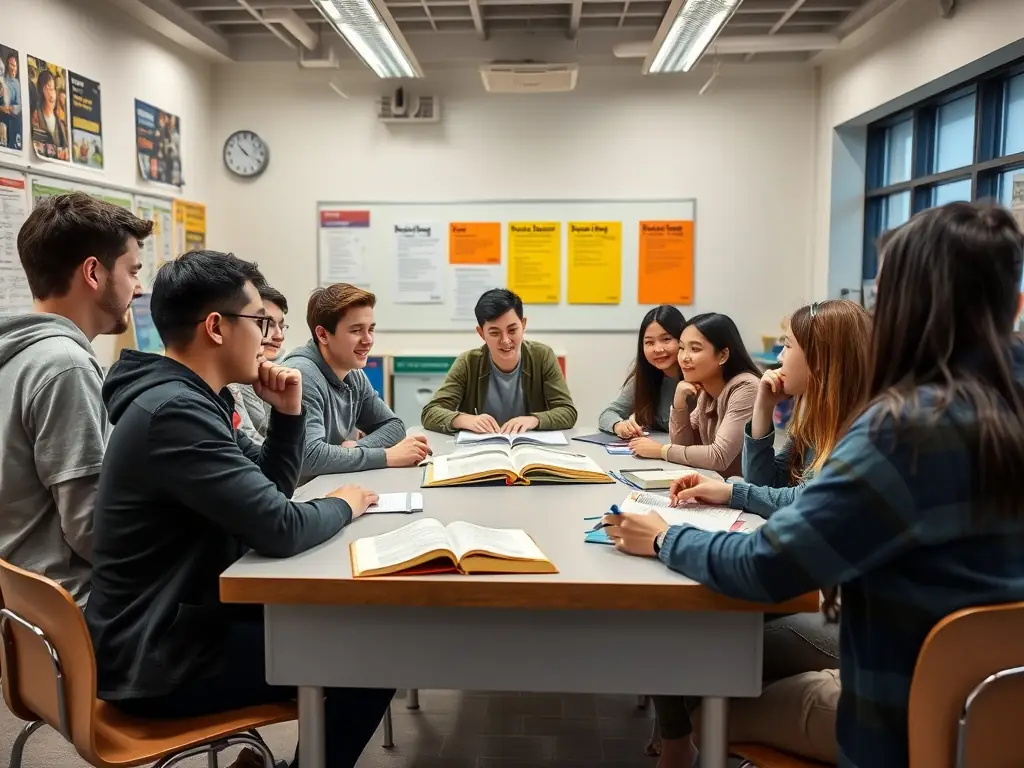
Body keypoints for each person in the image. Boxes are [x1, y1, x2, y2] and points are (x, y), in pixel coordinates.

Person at [601, 201, 1024, 768]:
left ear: (895, 311)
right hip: (1004, 713)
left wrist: (661, 539)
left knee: (702, 687)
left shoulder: (904, 430)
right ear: (1016, 304)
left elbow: (766, 567)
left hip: (900, 724)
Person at [84, 251, 393, 768]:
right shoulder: (173, 414)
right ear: (216, 328)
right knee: (374, 655)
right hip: (159, 657)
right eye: (260, 322)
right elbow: (279, 525)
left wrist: (288, 416)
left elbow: (268, 493)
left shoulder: (197, 398)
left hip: (183, 619)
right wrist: (344, 503)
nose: (271, 337)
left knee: (352, 623)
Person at [649, 299, 871, 767]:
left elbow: (802, 501)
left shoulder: (857, 430)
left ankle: (690, 740)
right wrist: (766, 411)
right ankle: (684, 741)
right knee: (679, 628)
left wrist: (732, 494)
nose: (778, 357)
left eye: (787, 345)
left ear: (821, 358)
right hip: (821, 593)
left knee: (690, 647)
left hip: (840, 614)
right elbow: (770, 483)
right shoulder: (816, 413)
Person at [0, 193, 149, 606]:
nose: (139, 288)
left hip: (25, 617)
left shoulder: (17, 353)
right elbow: (93, 532)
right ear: (93, 273)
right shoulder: (64, 365)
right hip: (76, 613)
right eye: (133, 271)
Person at [284, 283, 427, 482]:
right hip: (298, 497)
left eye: (371, 329)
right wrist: (386, 456)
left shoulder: (352, 372)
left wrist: (358, 448)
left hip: (331, 484)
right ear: (323, 334)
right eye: (356, 330)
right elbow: (309, 457)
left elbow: (393, 426)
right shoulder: (301, 374)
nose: (368, 340)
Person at [421, 288, 578, 434]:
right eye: (495, 333)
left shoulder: (542, 356)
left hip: (529, 450)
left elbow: (567, 411)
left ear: (523, 325)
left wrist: (534, 420)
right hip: (480, 450)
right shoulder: (468, 363)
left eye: (512, 330)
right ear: (481, 333)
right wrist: (463, 419)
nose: (505, 341)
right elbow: (430, 412)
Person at [628, 313, 759, 476]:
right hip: (717, 488)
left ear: (723, 355)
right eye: (682, 348)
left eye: (695, 349)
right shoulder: (707, 390)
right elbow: (682, 444)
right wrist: (679, 403)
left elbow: (719, 457)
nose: (684, 358)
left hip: (746, 494)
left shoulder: (746, 387)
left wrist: (661, 451)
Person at [599, 305, 686, 438]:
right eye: (649, 342)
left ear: (682, 339)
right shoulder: (646, 376)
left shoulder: (699, 377)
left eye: (666, 339)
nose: (657, 349)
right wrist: (619, 426)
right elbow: (608, 413)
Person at [229, 280, 289, 444]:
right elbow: (253, 442)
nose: (279, 336)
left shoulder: (285, 364)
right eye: (267, 324)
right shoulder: (234, 377)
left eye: (282, 327)